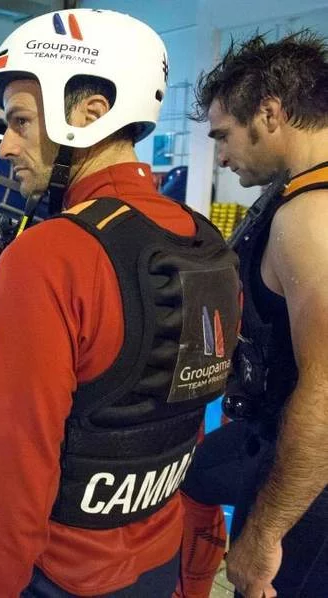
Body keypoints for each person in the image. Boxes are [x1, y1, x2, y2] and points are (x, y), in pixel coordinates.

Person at [0, 8, 241, 597]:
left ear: (91, 114)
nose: (8, 146)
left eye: (21, 121)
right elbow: (189, 419)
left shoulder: (49, 255)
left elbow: (18, 466)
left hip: (60, 576)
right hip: (162, 566)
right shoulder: (206, 242)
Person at [175, 31, 328, 598]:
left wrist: (265, 534)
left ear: (269, 113)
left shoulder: (312, 218)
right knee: (186, 477)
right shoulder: (299, 198)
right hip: (278, 446)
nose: (218, 155)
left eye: (222, 135)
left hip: (308, 490)